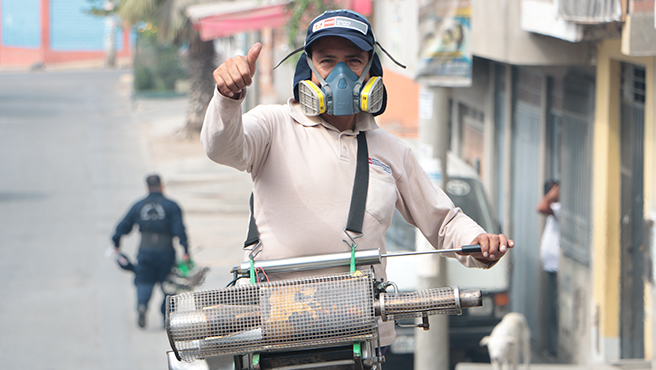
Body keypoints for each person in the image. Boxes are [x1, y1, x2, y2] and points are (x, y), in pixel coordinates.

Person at [202, 9, 513, 347]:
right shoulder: (272, 125)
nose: (339, 73)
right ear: (308, 66)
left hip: (361, 333)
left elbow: (443, 221)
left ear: (371, 70)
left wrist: (479, 242)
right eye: (327, 60)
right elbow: (222, 148)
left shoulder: (392, 150)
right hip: (277, 329)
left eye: (352, 60)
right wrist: (228, 98)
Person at [112, 174, 189, 328]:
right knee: (169, 284)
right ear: (161, 186)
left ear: (147, 187)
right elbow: (180, 229)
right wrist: (185, 250)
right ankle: (166, 316)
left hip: (146, 250)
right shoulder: (171, 205)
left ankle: (142, 305)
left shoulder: (139, 205)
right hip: (166, 250)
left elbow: (123, 225)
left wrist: (116, 242)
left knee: (144, 281)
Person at [537, 179, 560, 355]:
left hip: (557, 267)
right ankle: (550, 347)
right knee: (550, 309)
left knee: (555, 310)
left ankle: (554, 349)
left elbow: (542, 206)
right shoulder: (556, 206)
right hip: (551, 266)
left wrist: (554, 194)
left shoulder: (560, 207)